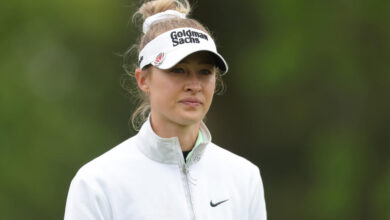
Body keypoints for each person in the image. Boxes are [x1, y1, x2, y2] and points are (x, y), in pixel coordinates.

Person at [64, 0, 266, 219]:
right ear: (143, 79)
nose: (194, 85)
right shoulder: (97, 184)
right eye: (178, 70)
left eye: (205, 72)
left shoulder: (244, 177)